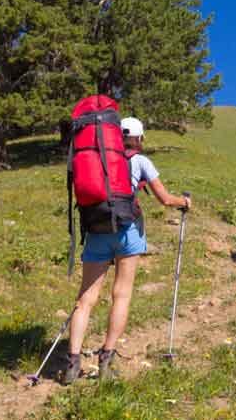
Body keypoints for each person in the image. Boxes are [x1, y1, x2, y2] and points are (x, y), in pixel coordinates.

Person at [62, 116, 191, 384]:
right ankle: (106, 361)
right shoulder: (141, 161)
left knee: (85, 299)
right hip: (127, 232)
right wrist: (185, 201)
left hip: (96, 230)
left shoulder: (96, 160)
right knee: (121, 295)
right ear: (139, 138)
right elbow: (165, 199)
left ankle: (72, 364)